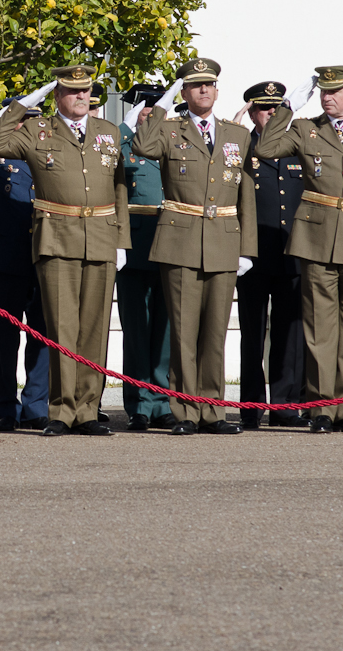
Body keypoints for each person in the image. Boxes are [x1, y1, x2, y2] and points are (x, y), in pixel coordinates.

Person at [0, 65, 129, 437]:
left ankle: (88, 409)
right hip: (57, 237)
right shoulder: (36, 130)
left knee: (95, 328)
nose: (81, 96)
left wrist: (121, 240)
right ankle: (62, 410)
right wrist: (24, 103)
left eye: (86, 91)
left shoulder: (108, 133)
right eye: (72, 91)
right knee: (61, 327)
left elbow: (119, 188)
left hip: (100, 235)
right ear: (57, 95)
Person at [253, 65, 343, 433]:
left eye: (334, 91)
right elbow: (267, 147)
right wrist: (288, 107)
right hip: (317, 240)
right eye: (322, 91)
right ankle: (321, 407)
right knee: (320, 327)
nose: (327, 97)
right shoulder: (306, 129)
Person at [128, 58, 256, 435]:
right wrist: (165, 101)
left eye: (209, 85)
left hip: (223, 240)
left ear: (217, 91)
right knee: (183, 332)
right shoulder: (168, 131)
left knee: (215, 333)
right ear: (184, 92)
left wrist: (247, 247)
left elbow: (245, 192)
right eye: (195, 85)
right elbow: (142, 143)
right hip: (181, 240)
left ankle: (213, 411)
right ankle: (184, 411)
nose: (204, 90)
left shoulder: (236, 134)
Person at [236, 81, 308, 430]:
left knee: (289, 334)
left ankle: (285, 405)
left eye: (277, 109)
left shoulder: (296, 147)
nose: (272, 114)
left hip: (291, 251)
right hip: (252, 254)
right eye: (265, 109)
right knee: (252, 333)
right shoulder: (239, 147)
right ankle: (251, 405)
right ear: (252, 112)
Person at [0, 99, 51, 432]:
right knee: (6, 339)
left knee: (42, 336)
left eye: (35, 121)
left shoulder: (48, 156)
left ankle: (36, 406)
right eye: (23, 121)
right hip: (8, 257)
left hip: (44, 256)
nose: (29, 127)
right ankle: (6, 409)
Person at [117, 84, 177, 432]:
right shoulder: (124, 143)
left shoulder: (170, 142)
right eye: (145, 108)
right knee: (136, 330)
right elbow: (112, 162)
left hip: (169, 243)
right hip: (134, 248)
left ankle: (161, 401)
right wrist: (126, 128)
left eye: (158, 109)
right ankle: (138, 403)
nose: (151, 115)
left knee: (165, 330)